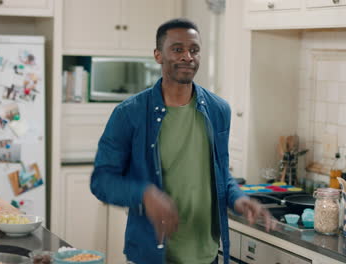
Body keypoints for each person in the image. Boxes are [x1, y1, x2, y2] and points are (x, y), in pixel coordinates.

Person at [90, 18, 273, 264]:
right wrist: (145, 194)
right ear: (158, 55)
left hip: (207, 254)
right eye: (178, 49)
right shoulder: (129, 113)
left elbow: (220, 172)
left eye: (194, 50)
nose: (188, 56)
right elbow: (102, 180)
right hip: (153, 255)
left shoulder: (219, 110)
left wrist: (237, 198)